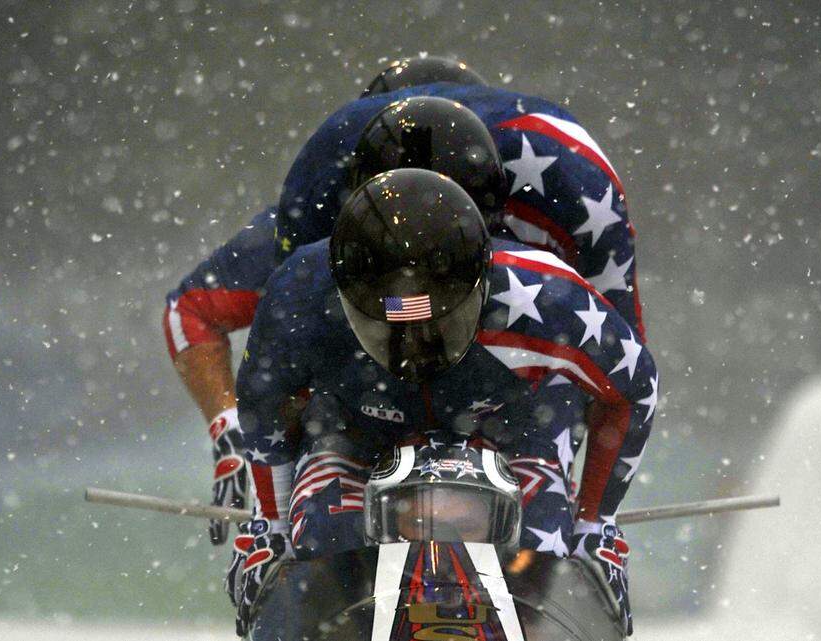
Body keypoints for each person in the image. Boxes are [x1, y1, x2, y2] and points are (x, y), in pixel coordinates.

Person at [161, 56, 647, 549]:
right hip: (364, 403)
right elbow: (270, 349)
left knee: (543, 524)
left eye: (438, 249)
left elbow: (621, 375)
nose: (415, 248)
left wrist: (591, 512)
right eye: (389, 245)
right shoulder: (308, 264)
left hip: (508, 396)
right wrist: (595, 511)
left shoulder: (562, 232)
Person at [226, 169, 657, 637]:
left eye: (437, 319)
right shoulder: (300, 295)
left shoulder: (550, 300)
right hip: (355, 427)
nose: (415, 346)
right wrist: (271, 524)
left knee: (543, 546)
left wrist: (595, 527)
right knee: (322, 540)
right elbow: (265, 401)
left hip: (504, 426)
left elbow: (632, 390)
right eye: (390, 324)